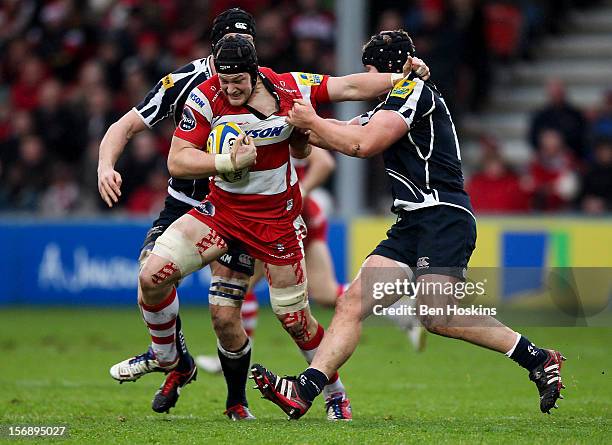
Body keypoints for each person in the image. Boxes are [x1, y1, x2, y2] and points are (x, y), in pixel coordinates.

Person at [250, 31, 566, 420]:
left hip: (443, 216)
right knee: (352, 303)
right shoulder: (391, 102)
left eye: (368, 70)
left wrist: (311, 120)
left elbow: (361, 145)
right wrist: (283, 125)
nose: (364, 79)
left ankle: (537, 358)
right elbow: (340, 135)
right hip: (412, 222)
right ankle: (306, 388)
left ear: (381, 68)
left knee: (437, 316)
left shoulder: (414, 93)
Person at [127, 33, 415, 421]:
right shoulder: (205, 96)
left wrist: (406, 78)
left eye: (238, 82)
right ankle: (170, 358)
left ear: (254, 72)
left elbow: (348, 85)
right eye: (223, 80)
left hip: (275, 223)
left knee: (295, 320)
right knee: (151, 276)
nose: (229, 89)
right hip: (221, 214)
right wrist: (225, 164)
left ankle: (336, 395)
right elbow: (177, 161)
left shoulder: (287, 86)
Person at [101, 9, 261, 420]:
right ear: (214, 47)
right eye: (229, 45)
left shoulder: (265, 83)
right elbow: (123, 126)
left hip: (239, 209)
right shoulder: (184, 83)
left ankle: (236, 401)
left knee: (224, 316)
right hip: (186, 205)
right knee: (148, 281)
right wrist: (105, 165)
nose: (238, 55)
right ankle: (175, 363)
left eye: (246, 46)